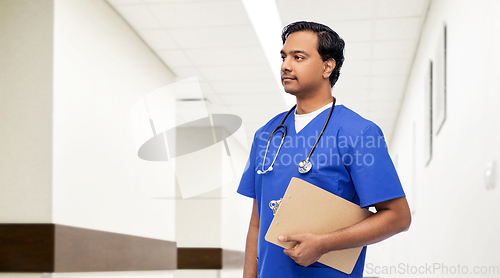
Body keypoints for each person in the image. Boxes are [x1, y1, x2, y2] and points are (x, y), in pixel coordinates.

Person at [237, 21, 412, 278]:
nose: (285, 65)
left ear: (327, 66)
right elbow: (257, 221)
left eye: (299, 57)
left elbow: (398, 217)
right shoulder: (266, 134)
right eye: (284, 57)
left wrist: (324, 244)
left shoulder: (359, 133)